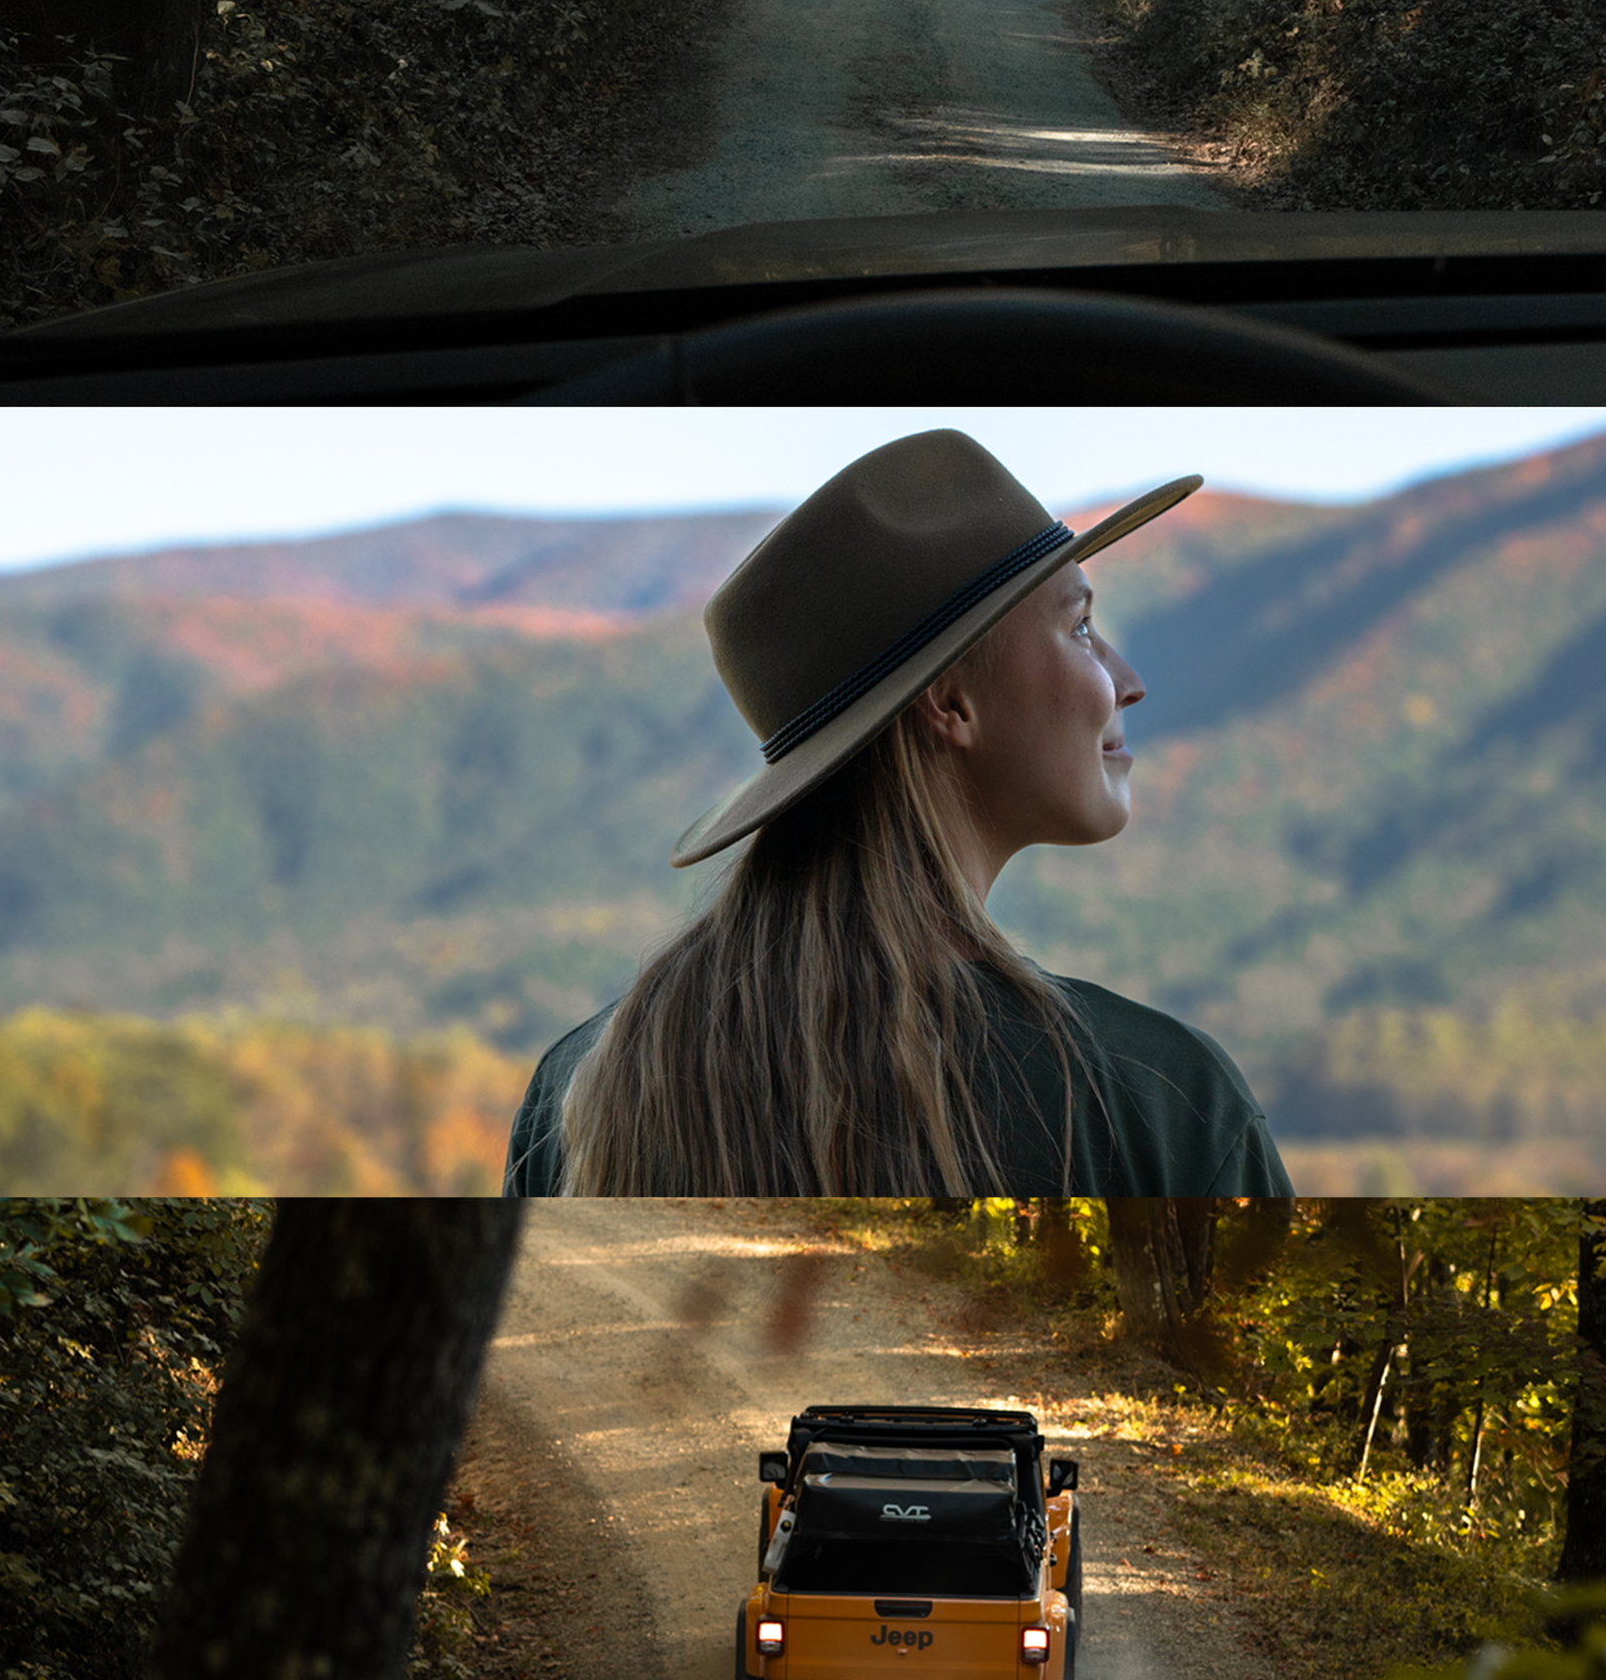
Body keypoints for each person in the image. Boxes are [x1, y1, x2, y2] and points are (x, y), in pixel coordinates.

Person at [504, 428, 1293, 1199]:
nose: (1126, 679)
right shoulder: (1156, 1101)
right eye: (1079, 626)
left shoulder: (579, 1091)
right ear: (952, 702)